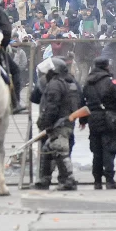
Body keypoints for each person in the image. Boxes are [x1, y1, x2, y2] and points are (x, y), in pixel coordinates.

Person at [80, 57, 116, 190]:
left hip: (93, 119)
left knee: (96, 151)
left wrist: (83, 120)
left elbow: (83, 103)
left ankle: (97, 181)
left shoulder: (88, 82)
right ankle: (109, 180)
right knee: (109, 150)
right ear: (107, 66)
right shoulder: (111, 82)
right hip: (109, 120)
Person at [35, 58, 81, 191]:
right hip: (63, 122)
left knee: (60, 151)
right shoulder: (67, 82)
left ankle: (68, 180)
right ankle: (44, 180)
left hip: (59, 124)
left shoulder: (55, 84)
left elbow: (51, 107)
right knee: (48, 151)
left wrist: (45, 122)